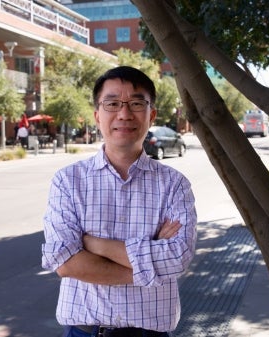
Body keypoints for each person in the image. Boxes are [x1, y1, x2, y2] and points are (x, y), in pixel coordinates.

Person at [42, 66, 198, 337]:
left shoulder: (174, 185)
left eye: (136, 104)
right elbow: (66, 263)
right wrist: (152, 266)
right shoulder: (68, 181)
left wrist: (93, 244)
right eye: (112, 103)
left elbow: (178, 258)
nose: (124, 114)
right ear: (97, 115)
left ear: (151, 115)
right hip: (84, 332)